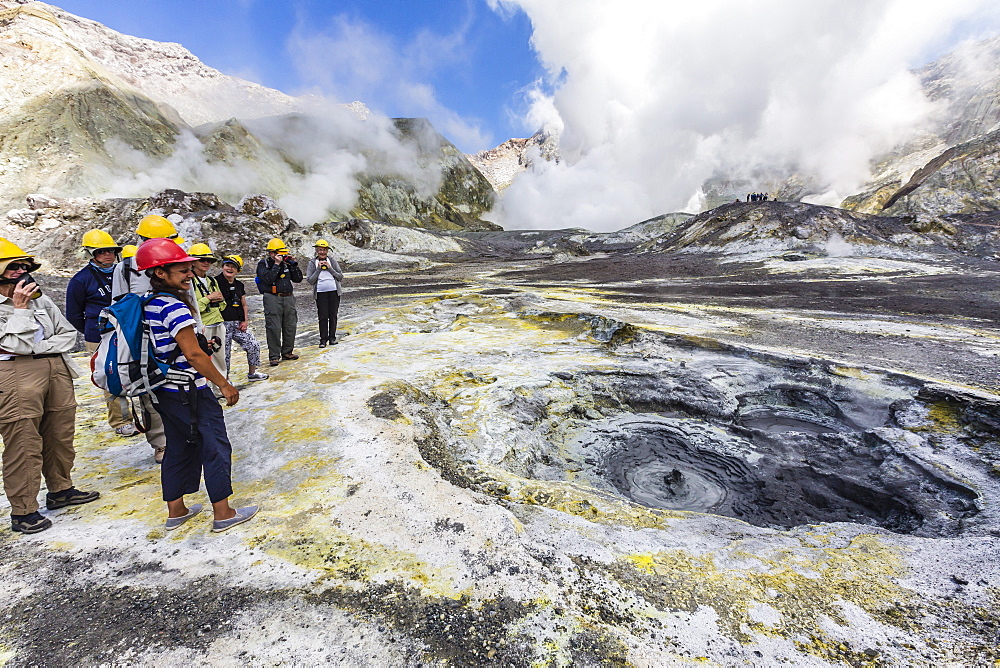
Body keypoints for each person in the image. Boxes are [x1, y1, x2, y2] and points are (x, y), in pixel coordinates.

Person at [135, 238, 258, 532]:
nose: (189, 274)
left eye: (189, 268)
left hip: (164, 389)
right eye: (182, 270)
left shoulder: (147, 303)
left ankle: (176, 511)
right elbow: (192, 353)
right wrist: (225, 384)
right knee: (214, 445)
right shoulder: (173, 307)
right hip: (190, 389)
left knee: (177, 446)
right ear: (160, 273)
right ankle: (223, 513)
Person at [0, 238, 100, 533]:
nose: (20, 272)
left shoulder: (40, 298)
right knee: (23, 442)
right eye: (13, 267)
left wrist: (34, 347)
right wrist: (19, 310)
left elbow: (68, 335)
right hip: (14, 375)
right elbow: (14, 345)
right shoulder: (17, 302)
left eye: (23, 266)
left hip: (56, 368)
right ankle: (23, 511)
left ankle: (60, 490)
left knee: (60, 433)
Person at [111, 214, 184, 463]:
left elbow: (189, 296)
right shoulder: (126, 268)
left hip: (176, 334)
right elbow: (119, 306)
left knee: (184, 384)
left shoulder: (178, 262)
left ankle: (186, 435)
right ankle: (161, 443)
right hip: (143, 341)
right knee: (150, 392)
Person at [65, 229, 138, 437]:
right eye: (102, 251)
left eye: (111, 251)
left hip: (126, 331)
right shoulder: (81, 280)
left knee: (135, 370)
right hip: (99, 336)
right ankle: (121, 421)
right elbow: (73, 315)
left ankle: (144, 415)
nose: (108, 255)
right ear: (90, 254)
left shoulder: (122, 273)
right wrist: (94, 332)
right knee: (112, 375)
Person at [216, 255, 268, 381]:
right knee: (224, 353)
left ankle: (252, 373)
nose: (230, 269)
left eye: (233, 267)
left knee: (253, 345)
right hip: (222, 324)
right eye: (228, 265)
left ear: (238, 270)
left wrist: (245, 321)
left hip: (238, 323)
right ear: (223, 266)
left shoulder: (239, 285)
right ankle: (225, 380)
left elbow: (244, 304)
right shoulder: (215, 282)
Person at [256, 237, 302, 366]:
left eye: (283, 253)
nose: (282, 256)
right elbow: (268, 279)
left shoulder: (286, 263)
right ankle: (274, 356)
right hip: (272, 297)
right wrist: (276, 265)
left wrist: (294, 265)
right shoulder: (263, 264)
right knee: (273, 327)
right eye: (279, 253)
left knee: (290, 325)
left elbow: (298, 279)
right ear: (271, 253)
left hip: (288, 297)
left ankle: (287, 352)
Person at [187, 243, 228, 388]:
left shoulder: (212, 281)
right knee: (204, 359)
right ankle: (205, 388)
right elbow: (192, 307)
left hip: (218, 322)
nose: (206, 263)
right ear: (192, 261)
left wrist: (219, 300)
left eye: (208, 260)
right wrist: (208, 298)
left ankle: (220, 387)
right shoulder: (189, 282)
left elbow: (222, 305)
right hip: (203, 326)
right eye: (202, 260)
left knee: (220, 358)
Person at [306, 239, 344, 348]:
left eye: (324, 250)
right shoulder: (312, 263)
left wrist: (330, 268)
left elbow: (340, 276)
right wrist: (318, 269)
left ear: (327, 251)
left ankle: (332, 338)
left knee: (333, 316)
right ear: (317, 251)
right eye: (320, 250)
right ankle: (323, 340)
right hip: (320, 293)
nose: (322, 252)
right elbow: (310, 280)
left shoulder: (332, 261)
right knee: (323, 316)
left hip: (334, 292)